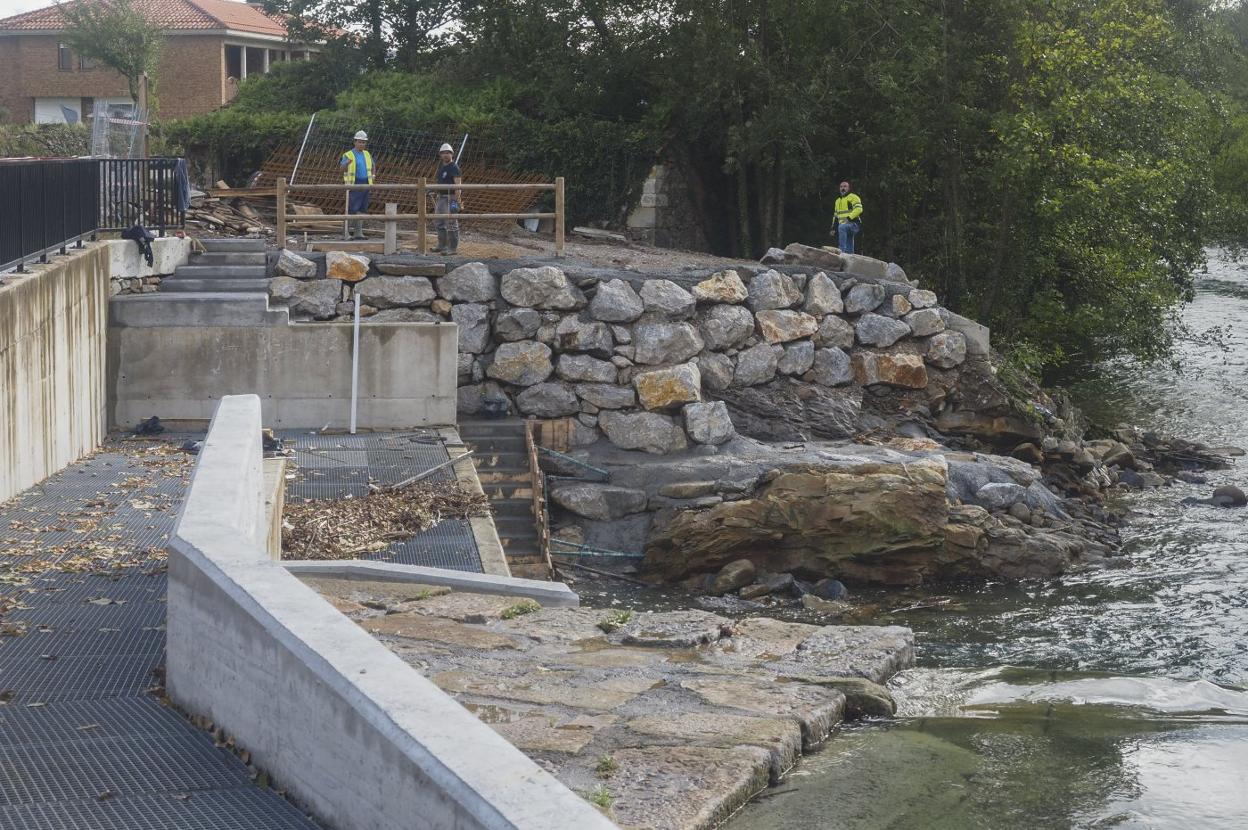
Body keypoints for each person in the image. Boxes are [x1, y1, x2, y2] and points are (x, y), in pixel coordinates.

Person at [339, 130, 374, 240]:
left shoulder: (367, 154)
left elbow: (373, 165)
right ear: (354, 142)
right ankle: (346, 233)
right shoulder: (349, 155)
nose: (362, 144)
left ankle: (358, 232)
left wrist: (373, 175)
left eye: (364, 142)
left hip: (366, 184)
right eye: (360, 142)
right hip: (354, 184)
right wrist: (346, 163)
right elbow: (341, 169)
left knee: (362, 208)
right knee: (352, 208)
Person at [433, 142, 463, 254]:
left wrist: (455, 201)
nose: (445, 155)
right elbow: (441, 183)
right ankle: (442, 245)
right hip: (441, 197)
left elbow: (458, 186)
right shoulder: (442, 168)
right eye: (443, 153)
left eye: (448, 153)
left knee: (451, 223)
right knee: (439, 222)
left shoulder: (454, 168)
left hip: (450, 197)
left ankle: (452, 248)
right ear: (440, 155)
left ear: (452, 154)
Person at [832, 180, 863, 254]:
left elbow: (859, 209)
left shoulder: (853, 197)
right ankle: (850, 256)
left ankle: (841, 251)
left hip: (854, 224)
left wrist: (849, 218)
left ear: (849, 188)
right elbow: (836, 216)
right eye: (841, 186)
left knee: (842, 227)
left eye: (845, 186)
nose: (843, 188)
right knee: (848, 240)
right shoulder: (837, 201)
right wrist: (833, 228)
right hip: (844, 226)